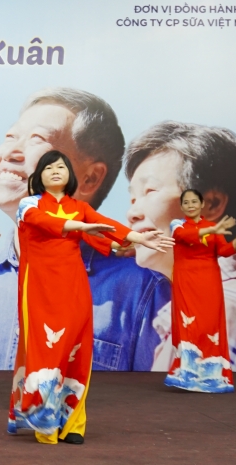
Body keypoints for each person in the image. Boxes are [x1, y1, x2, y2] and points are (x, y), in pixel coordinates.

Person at [0, 88, 170, 372]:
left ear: (90, 177)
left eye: (37, 139)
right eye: (10, 136)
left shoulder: (143, 291)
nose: (10, 153)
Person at [9, 150, 173, 445]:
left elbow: (106, 225)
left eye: (61, 167)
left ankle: (73, 422)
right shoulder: (29, 204)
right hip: (40, 288)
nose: (56, 171)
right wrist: (81, 227)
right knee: (48, 351)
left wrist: (138, 237)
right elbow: (45, 222)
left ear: (70, 175)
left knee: (77, 349)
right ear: (39, 176)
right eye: (49, 167)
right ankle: (45, 421)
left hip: (74, 286)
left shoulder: (80, 207)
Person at [124, 122, 236, 373]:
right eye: (132, 198)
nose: (132, 213)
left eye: (150, 191)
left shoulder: (222, 313)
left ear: (210, 204)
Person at [164, 189, 236, 393]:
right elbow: (186, 236)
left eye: (194, 201)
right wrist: (213, 229)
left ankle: (212, 376)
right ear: (182, 206)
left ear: (202, 204)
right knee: (189, 324)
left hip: (209, 281)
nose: (190, 205)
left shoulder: (212, 228)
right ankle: (187, 373)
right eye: (186, 202)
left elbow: (225, 251)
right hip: (186, 281)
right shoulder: (177, 225)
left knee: (210, 326)